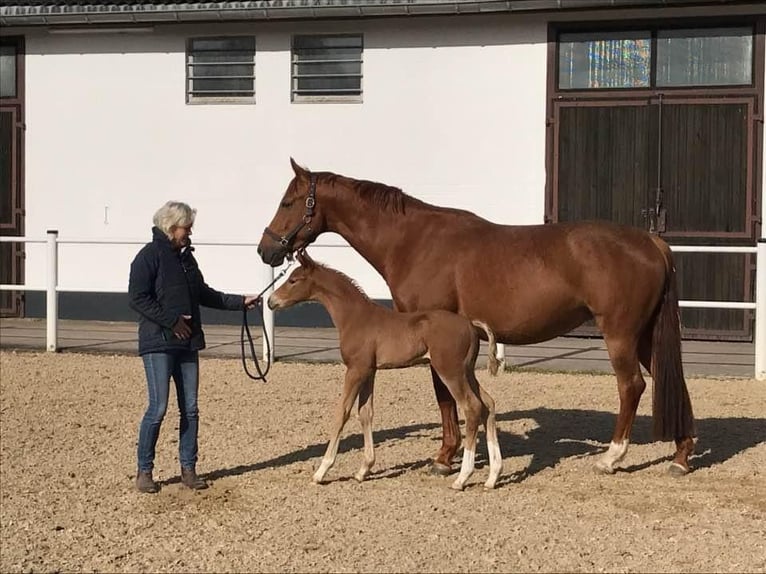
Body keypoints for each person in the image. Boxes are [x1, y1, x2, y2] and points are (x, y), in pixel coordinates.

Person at [128, 201, 259, 494]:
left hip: (187, 343)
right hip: (158, 343)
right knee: (158, 408)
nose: (190, 232)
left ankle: (188, 468)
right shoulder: (148, 257)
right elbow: (137, 298)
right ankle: (144, 470)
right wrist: (171, 321)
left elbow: (204, 294)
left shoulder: (187, 259)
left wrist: (240, 302)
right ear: (171, 226)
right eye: (187, 227)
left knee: (191, 409)